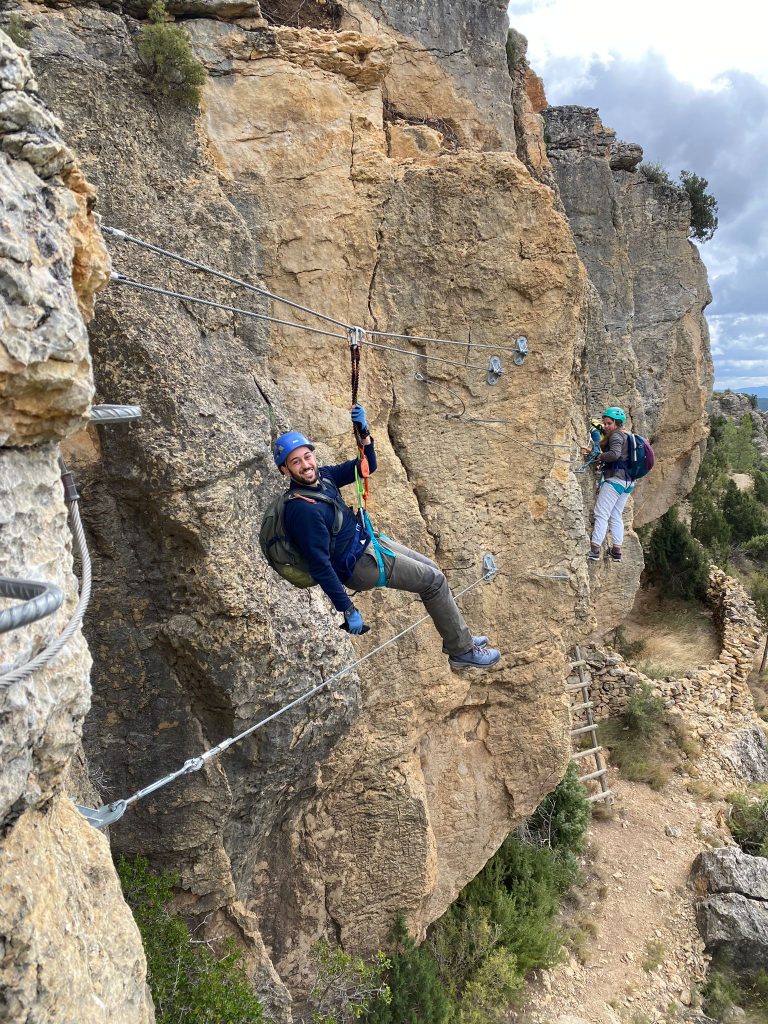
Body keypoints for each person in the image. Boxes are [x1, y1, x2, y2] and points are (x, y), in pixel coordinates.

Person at [273, 405, 501, 669]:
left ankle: (460, 636)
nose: (306, 465)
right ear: (285, 471)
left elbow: (368, 466)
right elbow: (320, 565)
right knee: (434, 582)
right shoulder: (302, 510)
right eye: (296, 462)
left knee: (432, 571)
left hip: (367, 542)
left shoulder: (324, 477)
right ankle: (462, 651)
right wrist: (347, 608)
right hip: (360, 565)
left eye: (307, 456)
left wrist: (365, 434)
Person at [588, 406, 633, 563]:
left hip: (615, 480)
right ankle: (617, 551)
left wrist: (599, 456)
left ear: (617, 423)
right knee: (615, 514)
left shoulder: (616, 436)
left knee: (601, 514)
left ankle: (594, 550)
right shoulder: (627, 436)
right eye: (604, 423)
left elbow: (614, 455)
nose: (606, 426)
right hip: (628, 482)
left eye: (609, 423)